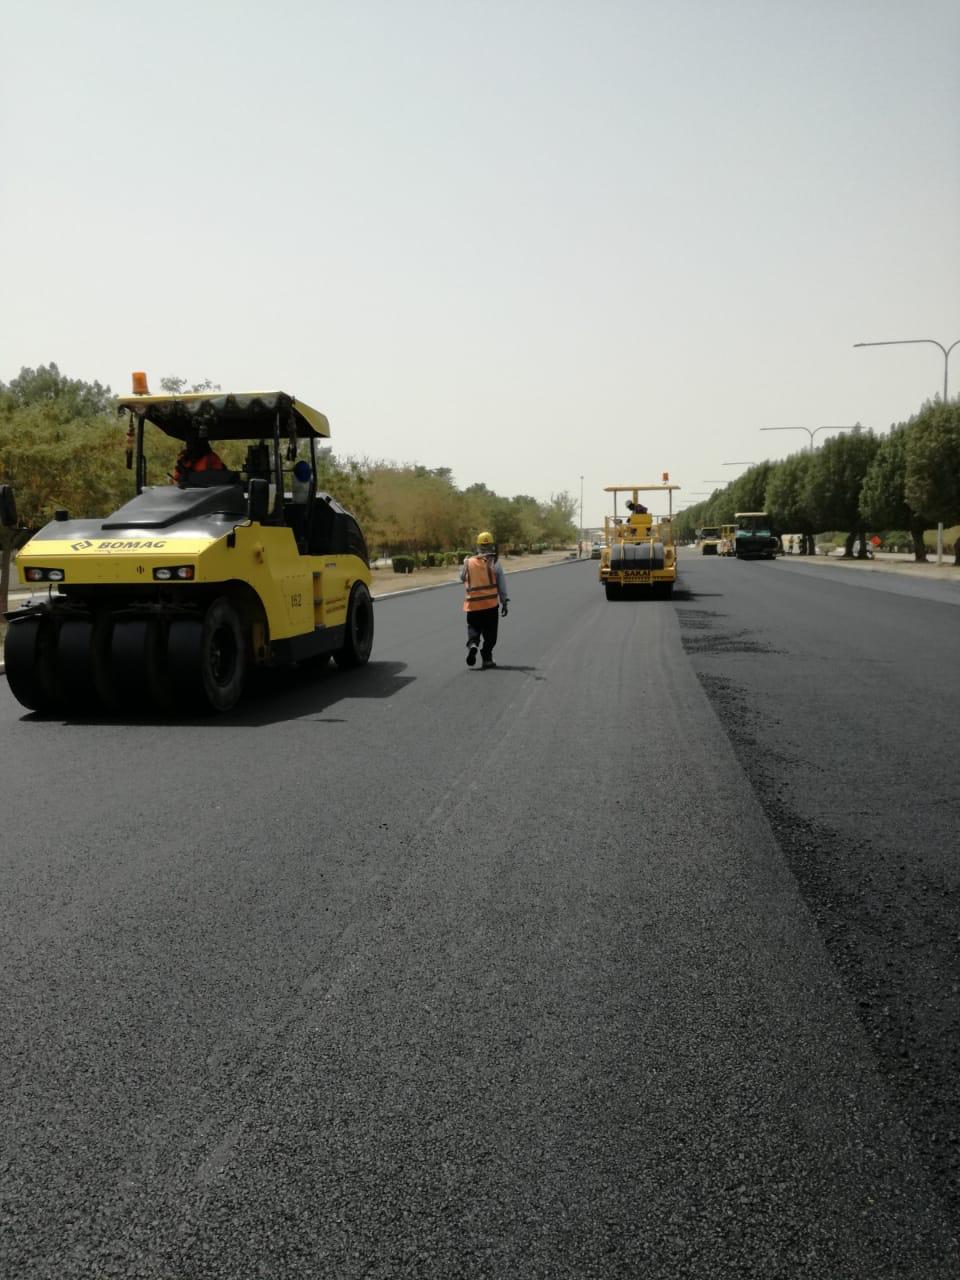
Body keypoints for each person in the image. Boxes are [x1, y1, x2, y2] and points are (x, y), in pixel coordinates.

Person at [460, 531, 509, 669]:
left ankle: (473, 644)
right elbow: (502, 585)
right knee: (490, 635)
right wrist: (504, 602)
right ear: (492, 545)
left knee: (474, 629)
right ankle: (487, 658)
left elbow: (462, 578)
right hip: (490, 606)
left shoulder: (468, 562)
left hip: (473, 606)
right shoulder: (495, 563)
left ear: (478, 545)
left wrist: (465, 563)